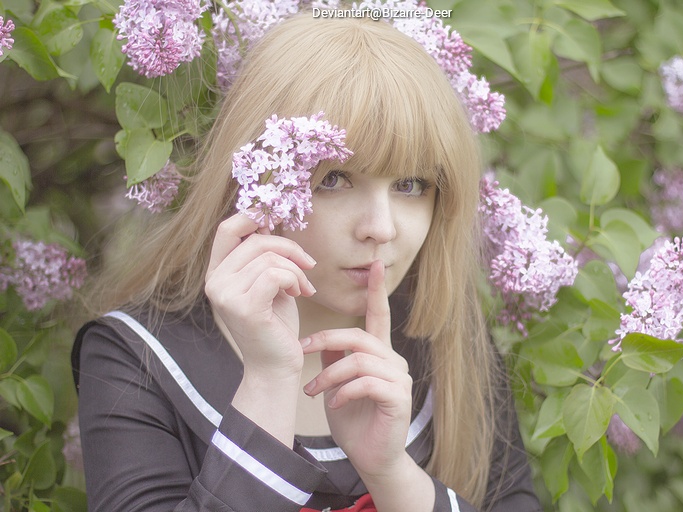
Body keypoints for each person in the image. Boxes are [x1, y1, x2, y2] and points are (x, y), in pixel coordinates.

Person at [72, 11, 541, 512]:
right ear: (257, 180)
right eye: (335, 179)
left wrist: (393, 476)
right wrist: (269, 381)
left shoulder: (448, 349)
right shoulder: (138, 358)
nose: (381, 227)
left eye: (411, 185)